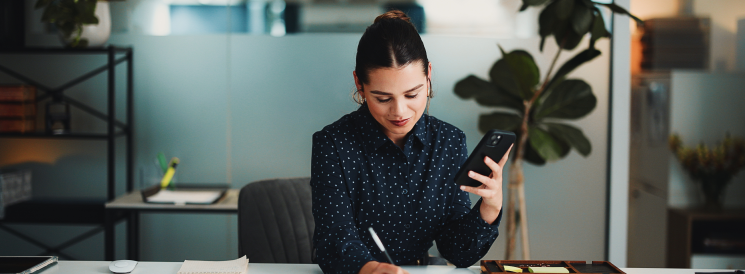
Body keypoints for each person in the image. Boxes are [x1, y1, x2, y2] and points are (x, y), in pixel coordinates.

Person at [311, 10, 510, 274]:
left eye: (412, 94)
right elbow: (334, 241)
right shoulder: (333, 144)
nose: (400, 112)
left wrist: (490, 206)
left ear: (428, 75)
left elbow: (457, 252)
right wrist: (371, 269)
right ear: (359, 84)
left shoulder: (448, 142)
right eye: (383, 98)